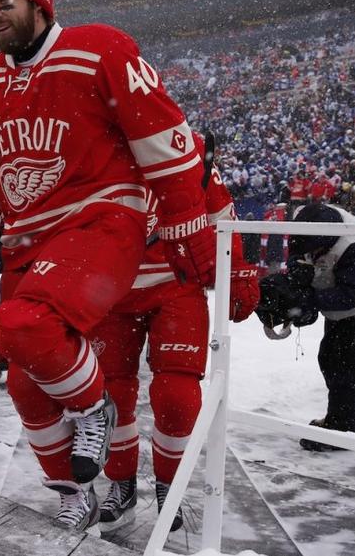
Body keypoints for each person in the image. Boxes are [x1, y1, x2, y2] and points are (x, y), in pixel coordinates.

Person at [0, 0, 216, 530]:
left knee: (26, 325)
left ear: (39, 3)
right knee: (25, 380)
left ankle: (95, 409)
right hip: (29, 240)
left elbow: (166, 138)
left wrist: (189, 219)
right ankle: (71, 492)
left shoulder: (99, 50)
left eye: (5, 0)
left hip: (100, 222)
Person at [94, 141, 260, 531]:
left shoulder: (184, 145)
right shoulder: (92, 141)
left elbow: (220, 213)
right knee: (110, 394)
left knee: (177, 397)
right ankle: (122, 483)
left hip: (176, 284)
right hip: (112, 287)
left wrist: (236, 271)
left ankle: (170, 483)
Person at [255, 202, 355, 452]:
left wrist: (305, 300)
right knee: (329, 356)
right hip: (335, 286)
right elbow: (297, 253)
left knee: (348, 362)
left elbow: (349, 296)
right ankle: (338, 416)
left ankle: (343, 426)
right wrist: (298, 274)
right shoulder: (307, 222)